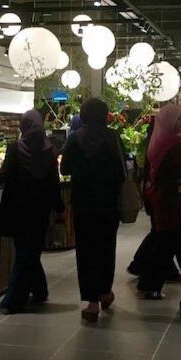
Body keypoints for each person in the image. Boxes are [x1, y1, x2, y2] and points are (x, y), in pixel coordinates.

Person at [61, 98, 123, 322]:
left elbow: (64, 167)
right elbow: (123, 170)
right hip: (108, 204)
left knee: (86, 252)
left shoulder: (75, 139)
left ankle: (92, 302)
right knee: (106, 249)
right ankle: (105, 292)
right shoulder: (113, 137)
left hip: (83, 204)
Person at [0, 110, 62, 314]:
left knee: (24, 253)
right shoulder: (50, 151)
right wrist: (59, 207)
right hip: (40, 211)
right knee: (30, 251)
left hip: (17, 208)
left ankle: (14, 299)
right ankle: (40, 290)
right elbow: (53, 183)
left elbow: (4, 176)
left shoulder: (15, 148)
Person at [138, 104, 181, 299]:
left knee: (175, 240)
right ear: (170, 121)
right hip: (173, 201)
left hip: (162, 198)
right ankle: (149, 284)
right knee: (170, 242)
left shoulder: (158, 141)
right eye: (179, 120)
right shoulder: (175, 143)